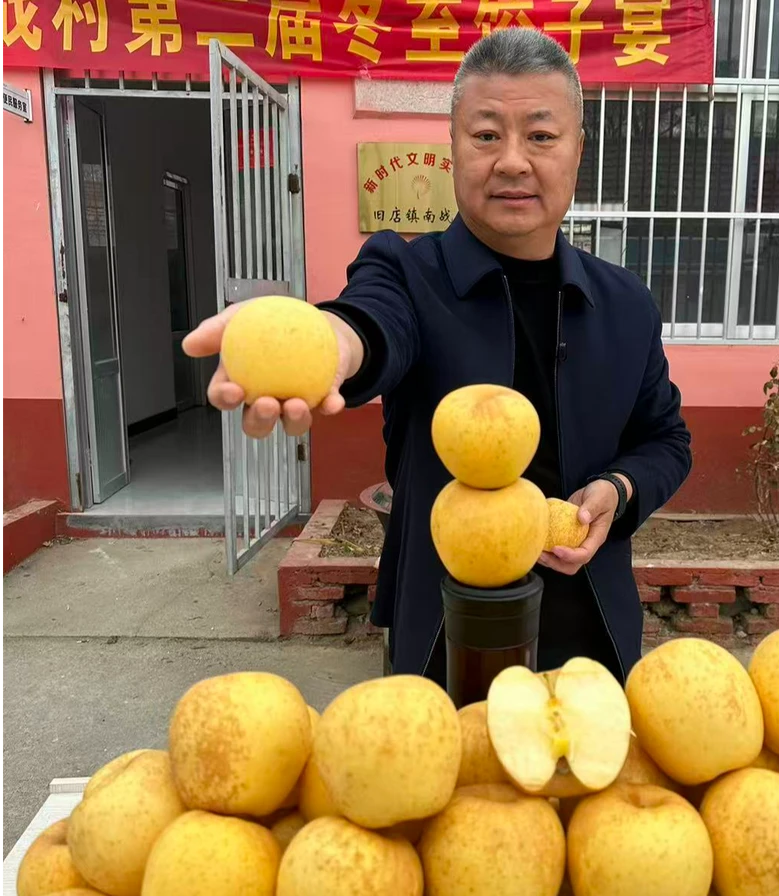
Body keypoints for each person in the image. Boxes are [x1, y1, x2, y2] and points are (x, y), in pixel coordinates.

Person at [184, 28, 691, 686]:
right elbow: (369, 325)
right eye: (485, 135)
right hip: (444, 646)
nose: (512, 161)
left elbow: (667, 440)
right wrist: (329, 345)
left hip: (589, 638)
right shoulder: (407, 273)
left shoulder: (624, 304)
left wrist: (619, 491)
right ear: (452, 150)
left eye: (540, 135)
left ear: (576, 151)